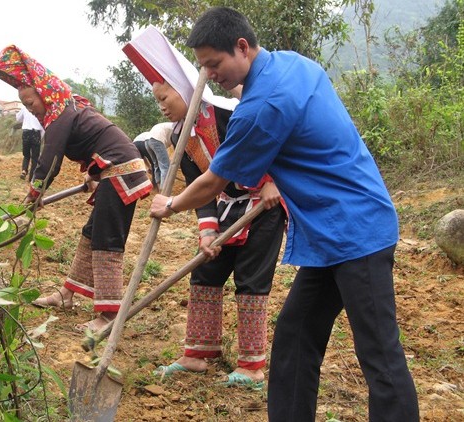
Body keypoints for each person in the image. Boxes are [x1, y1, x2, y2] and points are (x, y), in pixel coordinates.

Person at [150, 7, 420, 421]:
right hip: (326, 232)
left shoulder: (262, 106)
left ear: (242, 47)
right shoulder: (294, 64)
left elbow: (214, 182)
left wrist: (170, 204)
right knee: (294, 338)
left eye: (215, 64)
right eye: (203, 66)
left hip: (355, 230)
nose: (211, 74)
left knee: (379, 353)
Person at [125, 25, 286, 389]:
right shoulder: (183, 139)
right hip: (228, 206)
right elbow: (203, 191)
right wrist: (209, 230)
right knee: (205, 274)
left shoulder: (229, 114)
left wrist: (273, 181)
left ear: (186, 90)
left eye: (166, 96)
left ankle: (253, 367)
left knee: (250, 282)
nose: (161, 104)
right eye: (157, 100)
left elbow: (270, 142)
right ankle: (199, 353)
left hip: (264, 206)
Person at [0, 45, 153, 331]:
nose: (31, 109)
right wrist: (93, 173)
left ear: (45, 93)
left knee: (107, 240)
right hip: (110, 169)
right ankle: (67, 294)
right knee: (91, 233)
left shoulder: (61, 114)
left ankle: (109, 316)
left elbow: (49, 161)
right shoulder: (65, 110)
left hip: (121, 171)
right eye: (26, 105)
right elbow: (96, 142)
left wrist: (33, 194)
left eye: (31, 102)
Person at [14, 106, 44, 180]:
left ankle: (24, 170)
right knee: (35, 157)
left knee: (26, 154)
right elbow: (42, 124)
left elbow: (18, 118)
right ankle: (31, 177)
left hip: (26, 133)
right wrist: (41, 137)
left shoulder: (25, 107)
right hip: (36, 133)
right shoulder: (40, 108)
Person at [143, 122, 173, 190]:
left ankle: (159, 187)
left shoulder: (167, 125)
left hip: (147, 141)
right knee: (165, 167)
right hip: (156, 140)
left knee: (156, 165)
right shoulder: (176, 127)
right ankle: (164, 191)